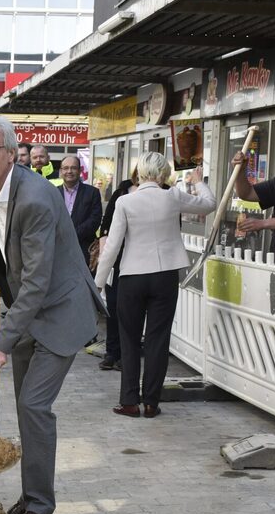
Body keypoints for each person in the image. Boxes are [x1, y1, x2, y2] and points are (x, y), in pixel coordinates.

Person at [0, 115, 103, 514]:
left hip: (60, 312)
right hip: (28, 313)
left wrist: (2, 339)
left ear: (12, 152)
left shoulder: (35, 198)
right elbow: (2, 262)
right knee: (27, 409)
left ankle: (41, 508)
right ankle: (30, 497)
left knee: (33, 405)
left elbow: (38, 279)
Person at [95, 153, 216, 420]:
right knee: (157, 340)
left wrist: (98, 284)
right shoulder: (172, 196)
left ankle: (129, 402)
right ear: (163, 173)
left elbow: (112, 246)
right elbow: (209, 204)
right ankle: (151, 402)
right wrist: (198, 181)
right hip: (165, 276)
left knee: (128, 339)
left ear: (140, 173)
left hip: (132, 275)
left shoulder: (125, 201)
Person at [96, 166, 140, 371]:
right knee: (113, 305)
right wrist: (104, 253)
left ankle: (127, 354)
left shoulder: (166, 192)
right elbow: (106, 224)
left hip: (140, 260)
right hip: (117, 257)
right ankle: (112, 351)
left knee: (133, 311)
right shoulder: (122, 192)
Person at [57, 155, 103, 261]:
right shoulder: (53, 193)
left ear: (80, 170)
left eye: (73, 168)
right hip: (58, 248)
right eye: (66, 168)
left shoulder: (92, 193)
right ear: (61, 171)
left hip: (83, 249)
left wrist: (72, 234)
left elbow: (95, 220)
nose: (69, 171)